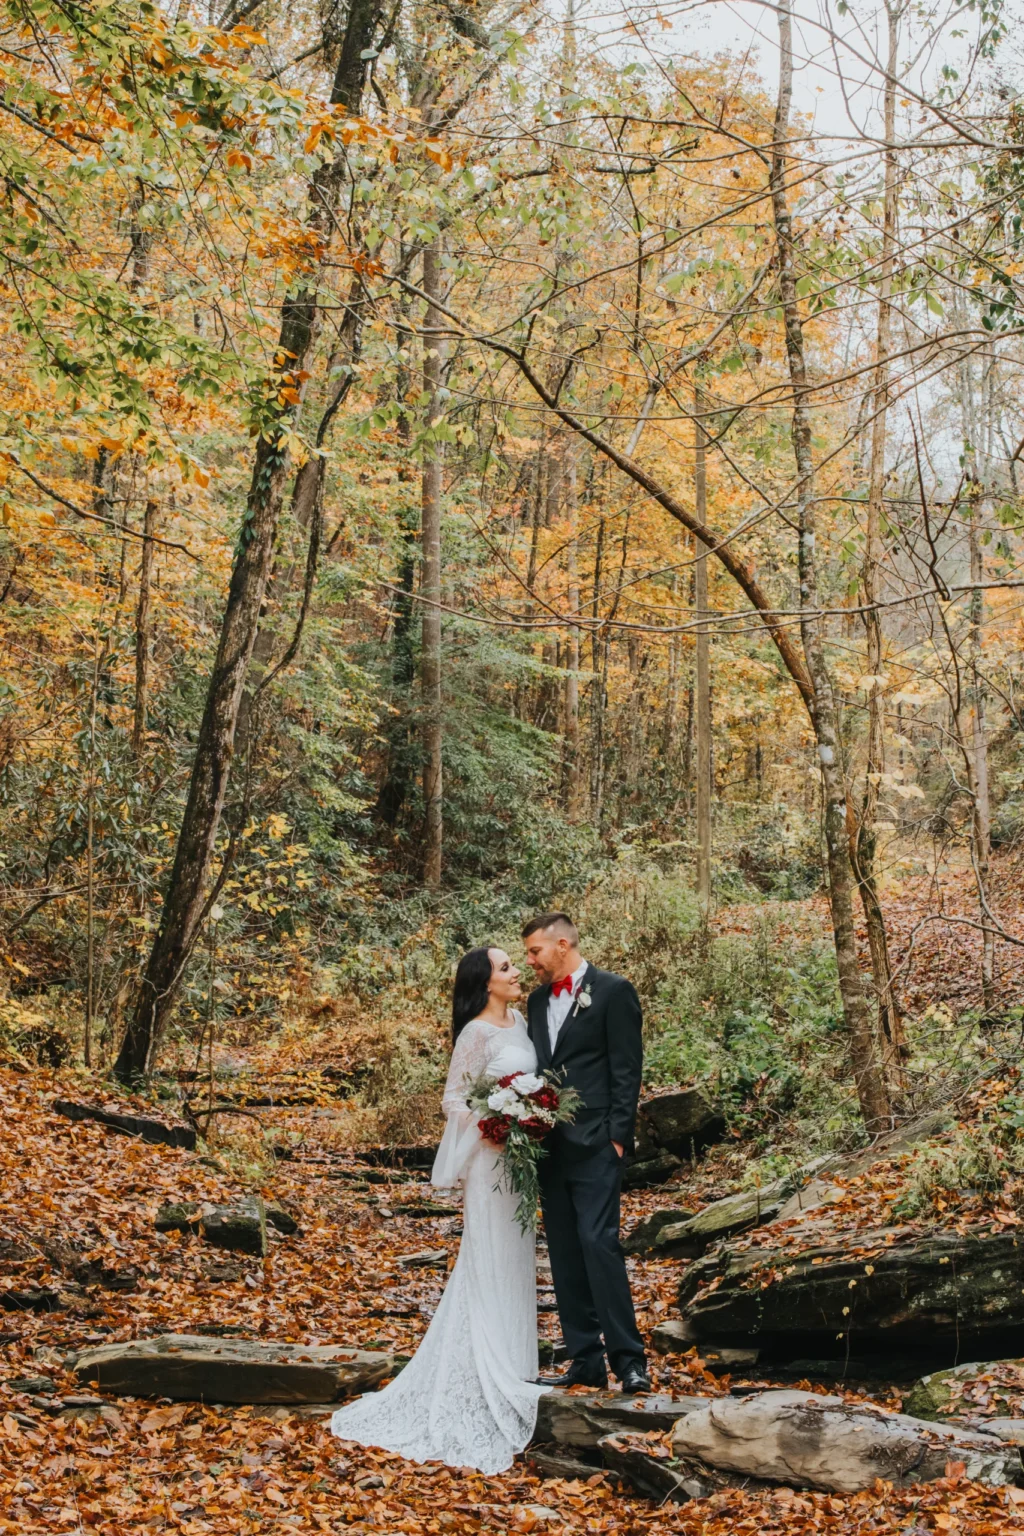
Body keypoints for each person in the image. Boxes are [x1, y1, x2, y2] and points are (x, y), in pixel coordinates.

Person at [330, 946, 548, 1473]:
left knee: (517, 1259)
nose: (517, 972)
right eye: (506, 968)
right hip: (490, 1162)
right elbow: (454, 1099)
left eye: (515, 966)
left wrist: (531, 1112)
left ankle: (517, 1365)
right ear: (484, 982)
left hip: (520, 1165)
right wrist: (497, 1123)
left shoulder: (520, 1020)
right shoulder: (475, 1033)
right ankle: (480, 1370)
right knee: (488, 1256)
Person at [522, 912, 649, 1394]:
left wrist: (618, 1136)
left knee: (600, 1244)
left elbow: (627, 1068)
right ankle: (585, 1359)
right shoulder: (536, 1001)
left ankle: (629, 1359)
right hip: (548, 1146)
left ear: (561, 944)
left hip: (597, 1142)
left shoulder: (614, 991)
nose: (530, 961)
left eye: (535, 951)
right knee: (564, 1250)